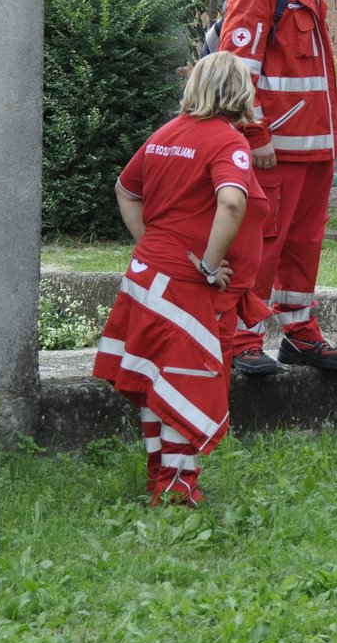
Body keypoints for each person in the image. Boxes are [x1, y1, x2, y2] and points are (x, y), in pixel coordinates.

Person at [93, 53, 268, 506]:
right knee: (185, 381)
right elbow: (231, 202)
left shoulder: (165, 135)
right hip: (184, 285)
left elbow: (125, 190)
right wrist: (210, 264)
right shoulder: (228, 142)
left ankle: (162, 478)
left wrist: (153, 242)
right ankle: (176, 489)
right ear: (240, 93)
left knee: (157, 382)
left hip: (147, 276)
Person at [218, 0, 337, 376]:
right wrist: (256, 137)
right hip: (277, 152)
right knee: (263, 247)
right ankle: (242, 340)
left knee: (303, 245)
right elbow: (237, 72)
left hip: (315, 151)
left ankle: (299, 334)